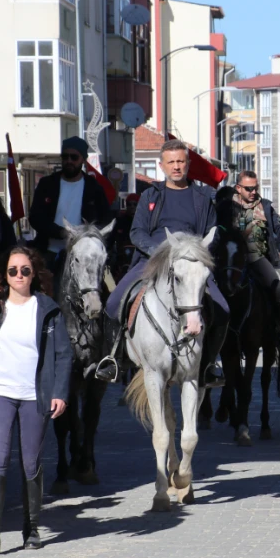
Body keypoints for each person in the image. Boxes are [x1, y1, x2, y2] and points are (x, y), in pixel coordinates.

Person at [99, 139, 228, 386]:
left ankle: (209, 364)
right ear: (162, 165)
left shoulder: (202, 197)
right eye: (171, 162)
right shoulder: (151, 194)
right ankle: (114, 358)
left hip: (191, 263)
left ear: (188, 164)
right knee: (114, 303)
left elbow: (214, 231)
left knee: (223, 309)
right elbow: (137, 233)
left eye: (181, 161)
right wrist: (159, 252)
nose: (176, 167)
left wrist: (198, 252)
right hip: (152, 260)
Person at [0, 247, 70, 553]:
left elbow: (63, 355)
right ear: (5, 276)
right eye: (13, 271)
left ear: (34, 272)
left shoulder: (49, 310)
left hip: (34, 394)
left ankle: (32, 528)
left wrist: (60, 393)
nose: (19, 276)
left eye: (25, 270)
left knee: (30, 462)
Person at [221, 170, 280, 353]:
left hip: (258, 257)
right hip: (233, 256)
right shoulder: (226, 206)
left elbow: (279, 232)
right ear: (238, 188)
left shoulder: (266, 206)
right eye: (248, 189)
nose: (253, 192)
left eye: (255, 188)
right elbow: (219, 230)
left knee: (277, 286)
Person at [27, 136, 113, 270]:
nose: (69, 161)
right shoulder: (47, 184)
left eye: (74, 157)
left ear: (83, 160)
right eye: (65, 156)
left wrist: (88, 236)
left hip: (83, 254)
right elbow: (35, 217)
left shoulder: (94, 187)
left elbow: (106, 218)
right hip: (49, 250)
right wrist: (61, 233)